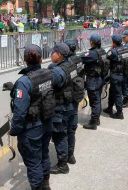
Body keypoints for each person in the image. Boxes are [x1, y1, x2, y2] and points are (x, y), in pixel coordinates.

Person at [7, 44, 55, 190]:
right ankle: (45, 184)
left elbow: (20, 112)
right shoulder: (49, 73)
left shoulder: (23, 82)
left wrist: (14, 130)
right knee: (44, 154)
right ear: (41, 58)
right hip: (47, 122)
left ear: (25, 60)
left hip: (32, 128)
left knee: (33, 162)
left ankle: (38, 187)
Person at [49, 43, 82, 174]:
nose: (51, 54)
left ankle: (62, 164)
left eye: (53, 52)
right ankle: (70, 156)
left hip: (61, 108)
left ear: (60, 55)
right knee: (70, 132)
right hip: (71, 105)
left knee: (60, 135)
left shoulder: (57, 71)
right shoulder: (72, 64)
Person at [82, 34, 107, 130]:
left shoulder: (92, 53)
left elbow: (81, 57)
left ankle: (93, 122)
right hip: (100, 78)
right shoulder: (102, 51)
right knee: (97, 100)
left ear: (92, 42)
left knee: (94, 101)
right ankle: (97, 119)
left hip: (93, 79)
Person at [103, 35, 128, 119]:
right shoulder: (125, 49)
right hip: (122, 74)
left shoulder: (113, 51)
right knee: (112, 92)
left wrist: (111, 48)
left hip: (116, 75)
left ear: (114, 42)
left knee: (117, 94)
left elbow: (107, 55)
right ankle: (110, 108)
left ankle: (119, 113)